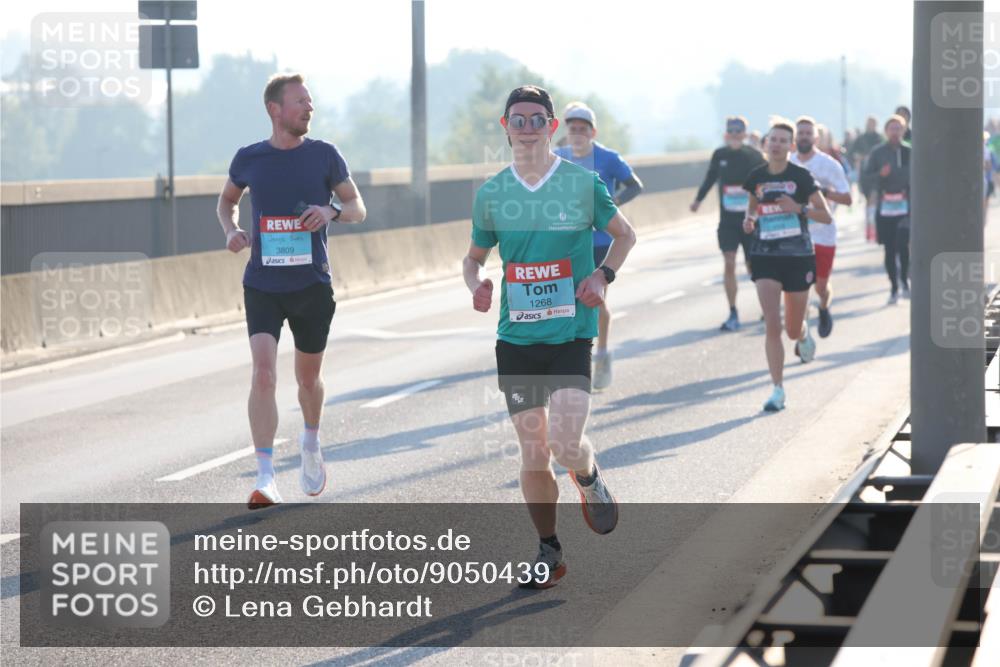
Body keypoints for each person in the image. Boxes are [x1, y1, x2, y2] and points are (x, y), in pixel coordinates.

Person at [464, 85, 636, 588]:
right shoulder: (493, 193)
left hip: (569, 334)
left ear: (552, 126)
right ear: (505, 127)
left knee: (564, 443)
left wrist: (603, 276)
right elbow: (473, 258)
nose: (527, 128)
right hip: (516, 339)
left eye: (537, 119)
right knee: (533, 451)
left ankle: (588, 477)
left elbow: (625, 234)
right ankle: (549, 550)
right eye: (518, 120)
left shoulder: (581, 185)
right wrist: (477, 284)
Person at [217, 73, 367, 509]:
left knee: (307, 379)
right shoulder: (250, 157)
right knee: (263, 373)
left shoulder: (324, 155)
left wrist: (330, 209)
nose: (309, 108)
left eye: (311, 102)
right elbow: (226, 201)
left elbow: (357, 207)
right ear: (275, 109)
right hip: (263, 283)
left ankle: (310, 441)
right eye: (300, 101)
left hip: (311, 285)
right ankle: (266, 477)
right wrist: (232, 229)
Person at [742, 119, 832, 412]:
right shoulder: (755, 176)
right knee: (772, 324)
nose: (777, 144)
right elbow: (753, 205)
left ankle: (804, 335)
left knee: (792, 329)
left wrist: (799, 209)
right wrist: (750, 219)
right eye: (773, 139)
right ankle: (777, 389)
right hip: (765, 256)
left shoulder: (802, 177)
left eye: (783, 140)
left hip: (798, 258)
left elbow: (826, 215)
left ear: (791, 146)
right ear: (765, 144)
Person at [554, 102, 644, 390]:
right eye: (573, 128)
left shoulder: (607, 157)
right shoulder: (558, 157)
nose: (578, 133)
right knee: (564, 300)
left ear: (593, 131)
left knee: (595, 297)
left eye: (583, 129)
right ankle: (567, 357)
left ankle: (602, 352)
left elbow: (635, 185)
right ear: (566, 131)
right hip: (568, 238)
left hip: (602, 241)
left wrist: (611, 205)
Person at [690, 116, 767, 331]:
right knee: (729, 261)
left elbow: (765, 183)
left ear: (744, 134)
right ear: (726, 134)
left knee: (754, 267)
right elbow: (710, 177)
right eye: (731, 131)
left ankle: (766, 307)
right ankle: (733, 312)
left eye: (738, 131)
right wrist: (698, 200)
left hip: (750, 221)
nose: (734, 135)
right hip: (727, 222)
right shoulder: (720, 154)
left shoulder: (754, 156)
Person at [790, 117, 852, 338]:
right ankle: (803, 334)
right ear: (795, 137)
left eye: (808, 133)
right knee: (800, 288)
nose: (804, 137)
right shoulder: (787, 163)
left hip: (824, 234)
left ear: (816, 138)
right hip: (795, 235)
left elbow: (847, 198)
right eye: (801, 133)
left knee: (820, 287)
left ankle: (824, 307)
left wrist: (823, 193)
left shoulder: (829, 165)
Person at [864, 114, 911, 303]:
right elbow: (866, 178)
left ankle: (905, 281)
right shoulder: (878, 152)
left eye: (898, 128)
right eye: (891, 128)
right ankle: (893, 286)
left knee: (903, 244)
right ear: (886, 131)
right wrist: (879, 175)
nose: (895, 132)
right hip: (885, 206)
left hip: (905, 204)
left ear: (904, 130)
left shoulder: (910, 151)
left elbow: (920, 175)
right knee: (889, 249)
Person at [849, 117, 883, 242]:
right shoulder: (861, 138)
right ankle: (869, 229)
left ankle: (876, 229)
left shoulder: (880, 138)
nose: (871, 125)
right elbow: (851, 153)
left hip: (878, 174)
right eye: (869, 123)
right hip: (864, 175)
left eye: (873, 123)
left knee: (875, 200)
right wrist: (859, 157)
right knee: (868, 202)